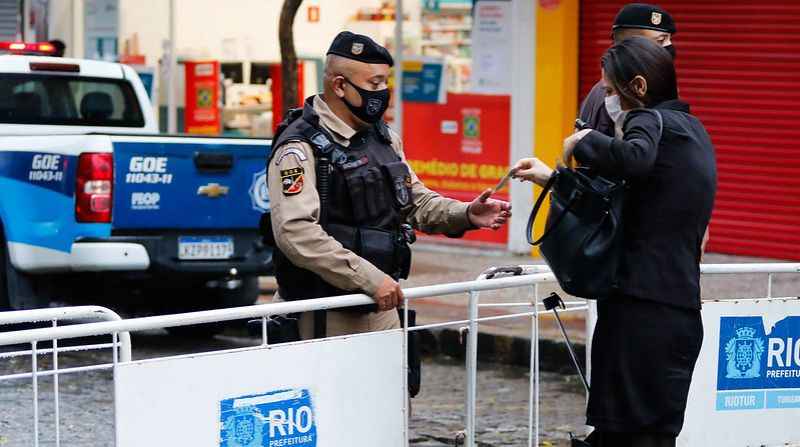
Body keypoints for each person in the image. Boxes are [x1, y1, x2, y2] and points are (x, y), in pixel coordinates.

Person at [514, 37, 716, 447]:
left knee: (623, 434)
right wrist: (553, 180)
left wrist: (581, 142)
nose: (605, 101)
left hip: (640, 312)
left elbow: (634, 157)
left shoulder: (648, 121)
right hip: (677, 311)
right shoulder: (690, 131)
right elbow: (636, 202)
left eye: (609, 91)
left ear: (637, 87)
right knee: (650, 435)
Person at [267, 31, 511, 339]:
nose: (383, 93)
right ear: (340, 85)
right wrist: (369, 279)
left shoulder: (383, 137)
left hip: (380, 308)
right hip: (321, 316)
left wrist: (465, 213)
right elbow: (296, 232)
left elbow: (413, 200)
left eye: (385, 82)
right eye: (374, 84)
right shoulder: (300, 147)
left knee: (389, 387)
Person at [579, 3, 677, 137]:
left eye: (669, 40)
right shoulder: (617, 98)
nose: (669, 48)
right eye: (660, 41)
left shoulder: (640, 88)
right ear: (631, 44)